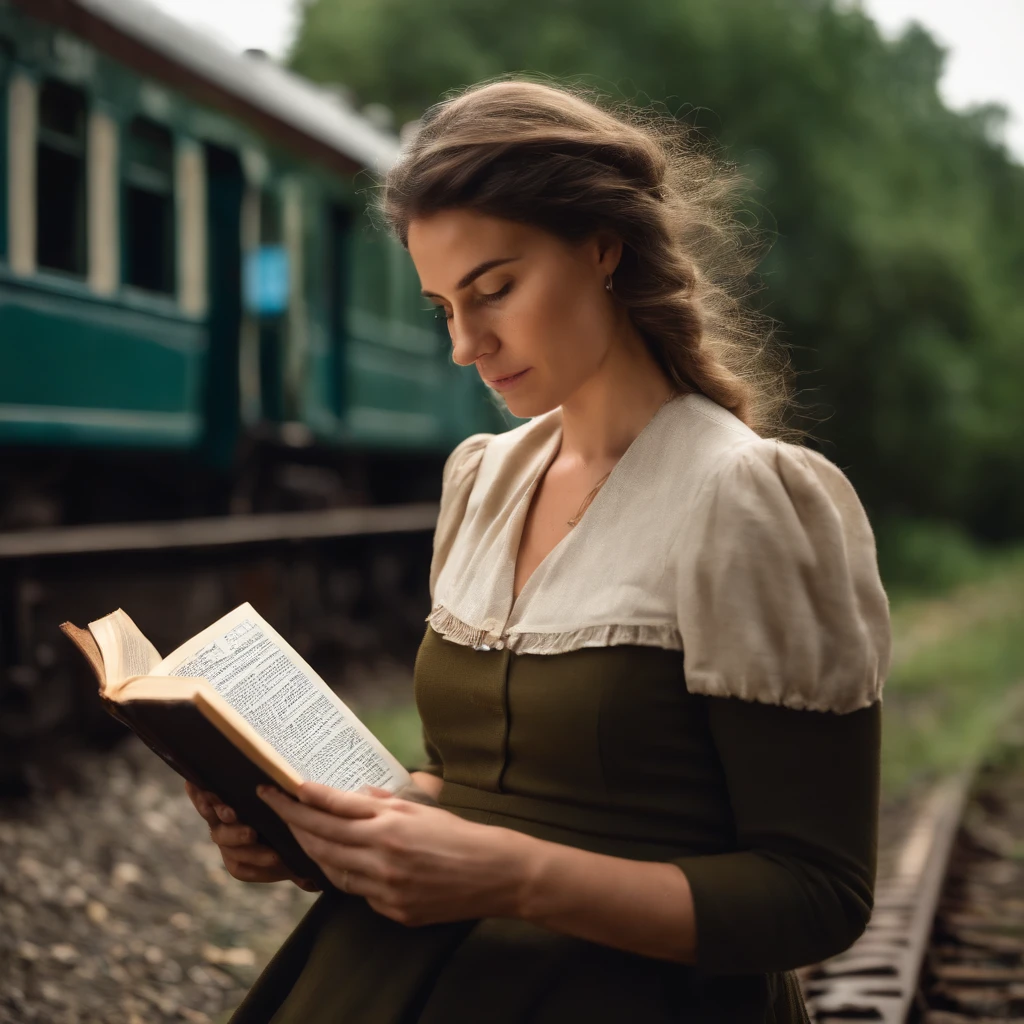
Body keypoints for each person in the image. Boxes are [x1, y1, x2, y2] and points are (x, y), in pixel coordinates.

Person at [186, 77, 891, 1023]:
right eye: (443, 308)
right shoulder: (482, 479)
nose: (465, 346)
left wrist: (514, 877)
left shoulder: (751, 497)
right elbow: (476, 792)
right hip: (388, 976)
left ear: (603, 247)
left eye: (496, 290)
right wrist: (331, 835)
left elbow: (817, 895)